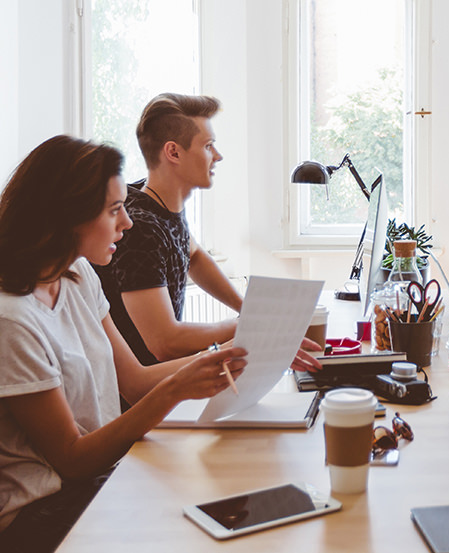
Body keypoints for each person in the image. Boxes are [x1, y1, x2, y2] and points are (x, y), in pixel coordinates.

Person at [0, 136, 249, 552]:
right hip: (41, 513)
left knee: (217, 495)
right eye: (114, 210)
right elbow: (72, 458)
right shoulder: (13, 319)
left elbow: (133, 381)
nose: (127, 223)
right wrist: (176, 388)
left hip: (97, 479)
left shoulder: (76, 275)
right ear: (67, 216)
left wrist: (232, 353)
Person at [94, 93, 321, 368]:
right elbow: (165, 343)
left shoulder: (159, 201)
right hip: (146, 396)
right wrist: (251, 325)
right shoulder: (141, 230)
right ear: (173, 152)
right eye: (208, 146)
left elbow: (195, 256)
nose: (218, 156)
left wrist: (248, 308)